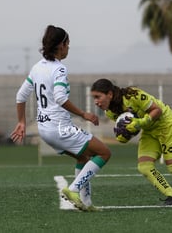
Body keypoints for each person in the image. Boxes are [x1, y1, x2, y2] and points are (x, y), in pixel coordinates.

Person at [10, 25, 111, 211]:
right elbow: (60, 98)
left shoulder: (37, 68)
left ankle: (86, 203)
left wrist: (21, 122)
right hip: (60, 129)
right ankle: (73, 189)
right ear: (61, 45)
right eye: (68, 43)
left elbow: (20, 96)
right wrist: (84, 114)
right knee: (104, 153)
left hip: (45, 130)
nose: (69, 48)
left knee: (84, 157)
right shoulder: (59, 69)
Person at [90, 78, 172, 205]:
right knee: (144, 167)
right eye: (94, 98)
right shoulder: (110, 113)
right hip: (149, 131)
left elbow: (157, 110)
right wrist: (124, 136)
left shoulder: (133, 95)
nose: (95, 102)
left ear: (110, 94)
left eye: (98, 97)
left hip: (167, 125)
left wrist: (140, 122)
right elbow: (130, 128)